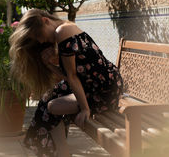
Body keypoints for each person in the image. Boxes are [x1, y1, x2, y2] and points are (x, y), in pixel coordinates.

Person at [9, 9, 123, 157]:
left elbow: (72, 76)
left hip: (105, 90)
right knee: (47, 99)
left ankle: (57, 153)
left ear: (45, 21)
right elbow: (68, 76)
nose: (41, 41)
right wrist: (49, 65)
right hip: (93, 85)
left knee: (52, 106)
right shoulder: (64, 29)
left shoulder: (62, 31)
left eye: (38, 35)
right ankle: (60, 153)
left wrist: (85, 109)